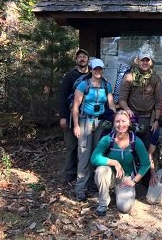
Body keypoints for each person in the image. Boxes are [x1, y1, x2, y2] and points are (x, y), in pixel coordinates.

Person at [71, 58, 116, 202]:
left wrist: (116, 119)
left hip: (101, 122)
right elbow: (76, 107)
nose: (98, 71)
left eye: (100, 69)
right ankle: (80, 189)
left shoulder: (106, 85)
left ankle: (92, 184)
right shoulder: (84, 85)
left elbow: (111, 103)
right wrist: (76, 125)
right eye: (95, 69)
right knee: (84, 154)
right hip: (85, 122)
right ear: (91, 69)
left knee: (97, 153)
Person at [91, 110, 150, 216]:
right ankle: (103, 203)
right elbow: (94, 158)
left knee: (125, 208)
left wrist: (134, 180)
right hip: (110, 176)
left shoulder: (135, 141)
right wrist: (114, 162)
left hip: (126, 178)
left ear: (129, 123)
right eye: (117, 121)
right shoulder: (107, 139)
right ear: (113, 123)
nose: (120, 124)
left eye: (123, 121)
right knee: (101, 170)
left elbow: (146, 163)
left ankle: (116, 193)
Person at [119, 51, 162, 150]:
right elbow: (122, 99)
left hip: (149, 119)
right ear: (137, 61)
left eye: (147, 60)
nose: (145, 62)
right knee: (130, 146)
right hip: (132, 118)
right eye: (142, 60)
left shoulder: (155, 78)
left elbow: (158, 102)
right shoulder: (129, 77)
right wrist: (127, 109)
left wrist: (157, 120)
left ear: (151, 62)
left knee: (146, 147)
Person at [58, 48, 89, 184]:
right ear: (76, 60)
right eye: (79, 57)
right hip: (71, 116)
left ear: (88, 60)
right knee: (71, 146)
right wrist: (63, 116)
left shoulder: (93, 75)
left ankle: (81, 173)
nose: (82, 59)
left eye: (84, 56)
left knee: (85, 148)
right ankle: (69, 172)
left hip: (87, 117)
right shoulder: (70, 76)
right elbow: (62, 97)